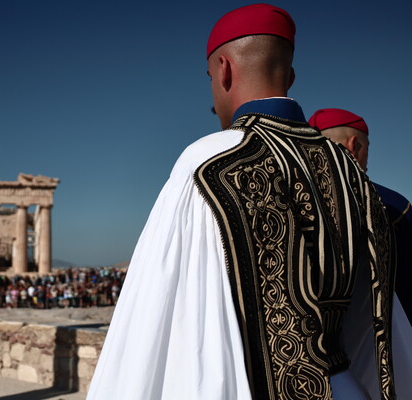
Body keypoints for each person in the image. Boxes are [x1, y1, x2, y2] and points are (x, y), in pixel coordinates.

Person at [87, 4, 411, 400]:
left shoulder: (209, 164)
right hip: (345, 386)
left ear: (223, 69)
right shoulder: (349, 171)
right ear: (289, 76)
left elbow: (158, 319)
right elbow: (375, 319)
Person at [308, 108, 412, 323]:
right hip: (377, 339)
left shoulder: (288, 196)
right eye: (366, 148)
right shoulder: (394, 205)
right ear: (353, 145)